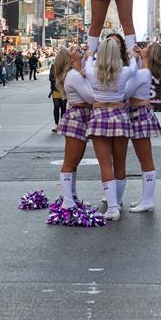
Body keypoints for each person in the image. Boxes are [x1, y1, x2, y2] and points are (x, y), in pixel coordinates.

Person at [84, 38, 135, 221]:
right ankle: (118, 201)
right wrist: (132, 54)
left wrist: (90, 55)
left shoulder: (91, 72)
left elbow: (87, 63)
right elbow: (135, 68)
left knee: (105, 164)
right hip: (120, 116)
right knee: (120, 163)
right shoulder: (126, 71)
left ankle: (112, 207)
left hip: (99, 117)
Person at [124, 42, 161, 213]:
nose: (142, 47)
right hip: (140, 113)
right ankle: (145, 198)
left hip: (139, 114)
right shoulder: (144, 71)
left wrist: (133, 60)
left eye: (146, 47)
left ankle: (148, 200)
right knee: (144, 159)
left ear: (148, 53)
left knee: (145, 160)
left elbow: (124, 93)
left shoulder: (141, 73)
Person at [55, 44, 95, 208]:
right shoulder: (74, 76)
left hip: (80, 116)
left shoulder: (77, 73)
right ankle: (68, 202)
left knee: (74, 161)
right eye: (70, 50)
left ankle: (71, 197)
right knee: (70, 162)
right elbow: (91, 98)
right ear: (70, 59)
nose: (75, 48)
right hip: (78, 117)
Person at [49, 49, 68, 132]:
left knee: (63, 107)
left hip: (64, 89)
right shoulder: (53, 66)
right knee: (56, 106)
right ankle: (56, 124)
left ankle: (62, 123)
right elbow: (51, 78)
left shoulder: (67, 66)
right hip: (56, 89)